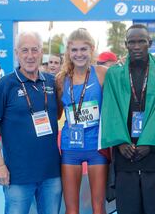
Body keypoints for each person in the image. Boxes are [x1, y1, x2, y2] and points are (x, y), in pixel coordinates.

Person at [99, 24, 155, 214]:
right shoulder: (114, 74)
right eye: (132, 42)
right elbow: (110, 110)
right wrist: (120, 142)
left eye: (141, 42)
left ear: (149, 43)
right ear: (126, 44)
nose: (136, 46)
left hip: (154, 156)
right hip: (124, 155)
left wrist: (150, 144)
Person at [0, 32, 62, 213]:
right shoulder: (6, 84)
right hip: (17, 175)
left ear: (41, 52)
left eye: (34, 50)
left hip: (51, 174)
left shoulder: (52, 82)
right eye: (24, 50)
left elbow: (57, 115)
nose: (30, 55)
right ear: (17, 53)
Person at [55, 28, 108, 214]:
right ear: (68, 52)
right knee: (71, 208)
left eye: (83, 49)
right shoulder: (61, 80)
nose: (79, 54)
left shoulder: (102, 73)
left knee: (99, 206)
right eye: (74, 50)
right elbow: (58, 114)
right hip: (71, 148)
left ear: (91, 50)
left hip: (97, 147)